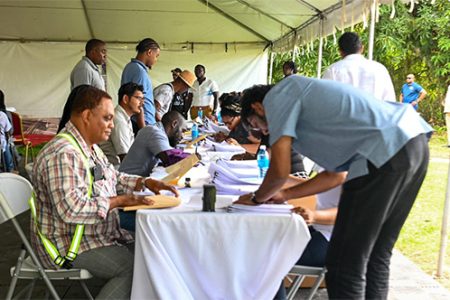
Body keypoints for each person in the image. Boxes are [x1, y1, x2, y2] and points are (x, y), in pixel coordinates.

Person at [236, 76, 432, 299]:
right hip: (412, 141)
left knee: (343, 266)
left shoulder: (279, 96)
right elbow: (334, 176)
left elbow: (279, 172)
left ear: (257, 106)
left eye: (256, 124)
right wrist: (285, 195)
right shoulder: (303, 111)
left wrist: (256, 199)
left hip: (383, 150)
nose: (263, 131)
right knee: (375, 257)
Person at [31, 86, 178, 299]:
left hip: (93, 234)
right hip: (68, 244)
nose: (112, 124)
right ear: (87, 116)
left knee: (153, 252)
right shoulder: (63, 154)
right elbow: (72, 210)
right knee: (136, 268)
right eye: (108, 118)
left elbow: (113, 177)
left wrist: (145, 182)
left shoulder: (88, 147)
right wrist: (119, 201)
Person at [322, 32, 396, 102]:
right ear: (362, 48)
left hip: (343, 115)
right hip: (374, 115)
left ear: (340, 51)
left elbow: (325, 100)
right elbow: (390, 101)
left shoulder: (332, 70)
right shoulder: (380, 69)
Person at [119, 111, 188, 177]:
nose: (182, 136)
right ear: (174, 124)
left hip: (135, 180)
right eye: (182, 131)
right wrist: (194, 158)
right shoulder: (154, 132)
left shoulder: (157, 130)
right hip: (127, 183)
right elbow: (171, 158)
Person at [99, 82, 144, 167]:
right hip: (115, 169)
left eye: (142, 99)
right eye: (138, 98)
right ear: (126, 99)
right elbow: (125, 157)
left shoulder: (125, 117)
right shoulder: (118, 119)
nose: (142, 103)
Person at [121, 38, 160, 129]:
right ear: (149, 52)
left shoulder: (130, 67)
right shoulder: (139, 71)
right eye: (156, 56)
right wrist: (143, 129)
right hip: (143, 123)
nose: (156, 60)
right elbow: (138, 101)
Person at [0, 90, 14, 172]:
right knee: (6, 143)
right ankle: (10, 169)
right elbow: (9, 131)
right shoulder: (2, 115)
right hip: (1, 144)